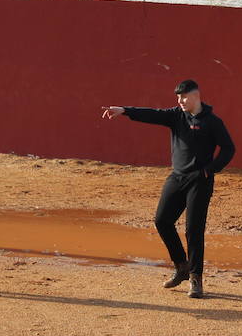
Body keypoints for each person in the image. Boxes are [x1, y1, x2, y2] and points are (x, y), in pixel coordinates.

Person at [100, 80, 234, 299]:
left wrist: (210, 170)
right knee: (162, 220)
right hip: (177, 177)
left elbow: (229, 148)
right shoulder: (176, 116)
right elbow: (152, 114)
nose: (180, 101)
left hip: (200, 181)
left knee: (194, 229)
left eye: (183, 97)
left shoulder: (212, 122)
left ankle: (195, 278)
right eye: (177, 98)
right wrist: (124, 111)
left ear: (196, 96)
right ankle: (181, 265)